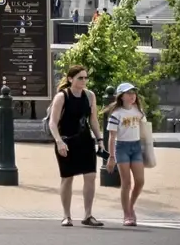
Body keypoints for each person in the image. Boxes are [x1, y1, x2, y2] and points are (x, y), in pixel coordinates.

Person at [48, 63, 104, 227]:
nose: (84, 81)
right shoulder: (62, 96)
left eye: (86, 78)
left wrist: (100, 140)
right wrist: (59, 141)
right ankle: (66, 216)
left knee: (90, 176)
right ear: (70, 79)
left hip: (85, 140)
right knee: (67, 178)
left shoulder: (90, 96)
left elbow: (93, 120)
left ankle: (88, 215)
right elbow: (53, 122)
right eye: (80, 78)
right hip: (66, 141)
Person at [104, 81, 153, 227]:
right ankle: (127, 214)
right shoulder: (116, 114)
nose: (132, 96)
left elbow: (145, 129)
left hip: (136, 147)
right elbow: (112, 137)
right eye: (129, 93)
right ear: (121, 96)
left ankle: (131, 206)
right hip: (122, 148)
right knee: (126, 183)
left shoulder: (138, 111)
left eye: (133, 93)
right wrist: (111, 157)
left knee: (140, 181)